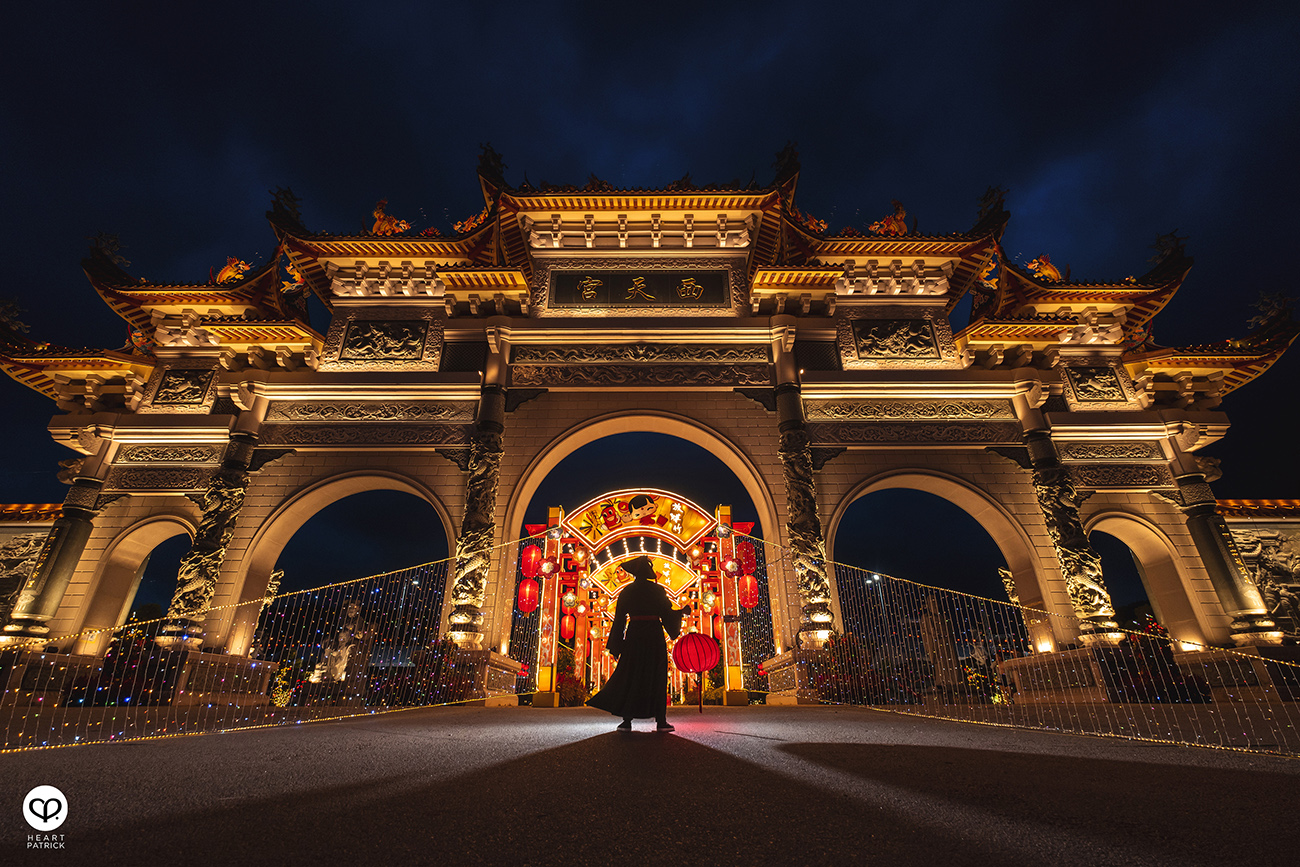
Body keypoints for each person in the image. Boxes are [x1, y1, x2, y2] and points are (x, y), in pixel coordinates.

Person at [587, 555, 690, 731]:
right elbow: (667, 614)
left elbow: (619, 620)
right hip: (654, 636)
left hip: (634, 635)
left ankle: (627, 720)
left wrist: (617, 645)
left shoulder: (627, 591)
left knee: (631, 675)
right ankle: (661, 721)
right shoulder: (657, 590)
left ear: (634, 573)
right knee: (657, 676)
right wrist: (681, 612)